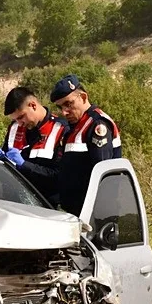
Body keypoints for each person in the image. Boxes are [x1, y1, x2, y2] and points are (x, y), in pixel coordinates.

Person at [50, 74, 122, 216]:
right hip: (75, 211)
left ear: (83, 97)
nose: (64, 112)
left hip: (95, 213)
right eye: (60, 107)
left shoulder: (97, 125)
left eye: (68, 104)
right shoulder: (76, 126)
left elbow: (102, 176)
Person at [0, 87, 69, 204]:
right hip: (14, 200)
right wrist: (1, 160)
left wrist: (24, 165)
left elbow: (58, 176)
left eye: (21, 117)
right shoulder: (15, 127)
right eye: (15, 119)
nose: (20, 123)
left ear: (33, 105)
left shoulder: (60, 129)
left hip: (46, 205)